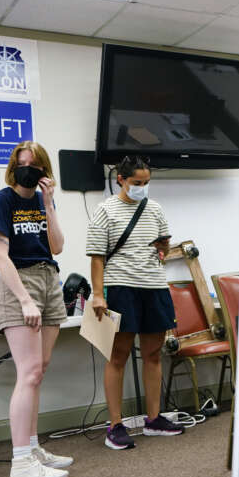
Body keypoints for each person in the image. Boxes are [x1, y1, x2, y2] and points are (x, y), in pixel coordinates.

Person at [0, 141, 71, 477]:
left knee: (40, 369)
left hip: (50, 277)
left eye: (35, 165)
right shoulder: (0, 200)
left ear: (44, 170)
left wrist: (49, 204)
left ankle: (32, 447)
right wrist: (24, 299)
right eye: (22, 164)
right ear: (13, 166)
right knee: (29, 371)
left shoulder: (41, 200)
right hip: (18, 282)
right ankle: (21, 463)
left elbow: (58, 246)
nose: (28, 170)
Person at [86, 155, 183, 449]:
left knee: (153, 354)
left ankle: (153, 419)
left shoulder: (155, 210)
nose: (142, 187)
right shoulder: (105, 210)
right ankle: (115, 425)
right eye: (137, 183)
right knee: (118, 356)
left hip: (153, 286)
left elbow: (163, 242)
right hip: (120, 288)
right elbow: (97, 256)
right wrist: (98, 294)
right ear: (121, 180)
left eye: (146, 183)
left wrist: (162, 249)